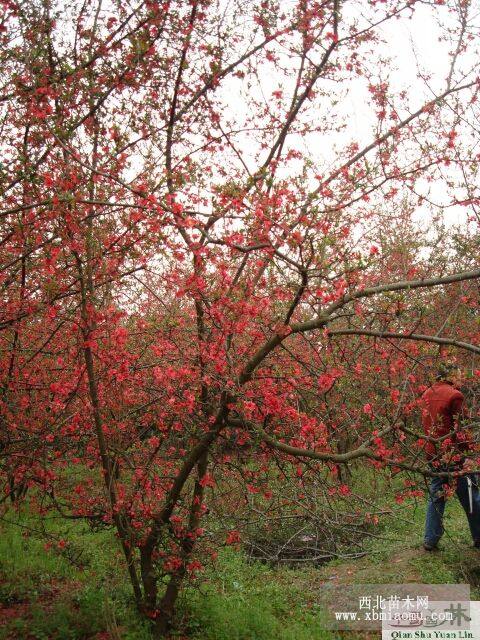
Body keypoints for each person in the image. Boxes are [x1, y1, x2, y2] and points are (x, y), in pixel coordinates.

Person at [421, 361, 480, 551]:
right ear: (450, 376)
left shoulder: (427, 393)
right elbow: (460, 430)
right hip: (453, 456)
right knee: (471, 494)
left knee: (437, 494)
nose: (462, 377)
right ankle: (479, 537)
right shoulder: (455, 395)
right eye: (459, 374)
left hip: (433, 453)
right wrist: (469, 453)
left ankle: (431, 539)